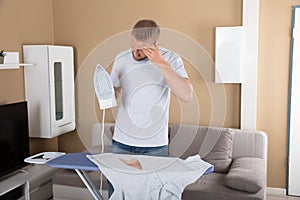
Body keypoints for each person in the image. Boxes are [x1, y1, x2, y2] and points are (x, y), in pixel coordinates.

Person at [108, 19, 193, 197]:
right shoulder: (121, 58)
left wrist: (159, 61)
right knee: (117, 194)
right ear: (131, 39)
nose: (136, 53)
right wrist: (106, 90)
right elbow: (114, 94)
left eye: (142, 49)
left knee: (152, 195)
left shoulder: (171, 59)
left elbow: (186, 95)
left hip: (154, 146)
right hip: (121, 143)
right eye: (134, 47)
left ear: (156, 44)